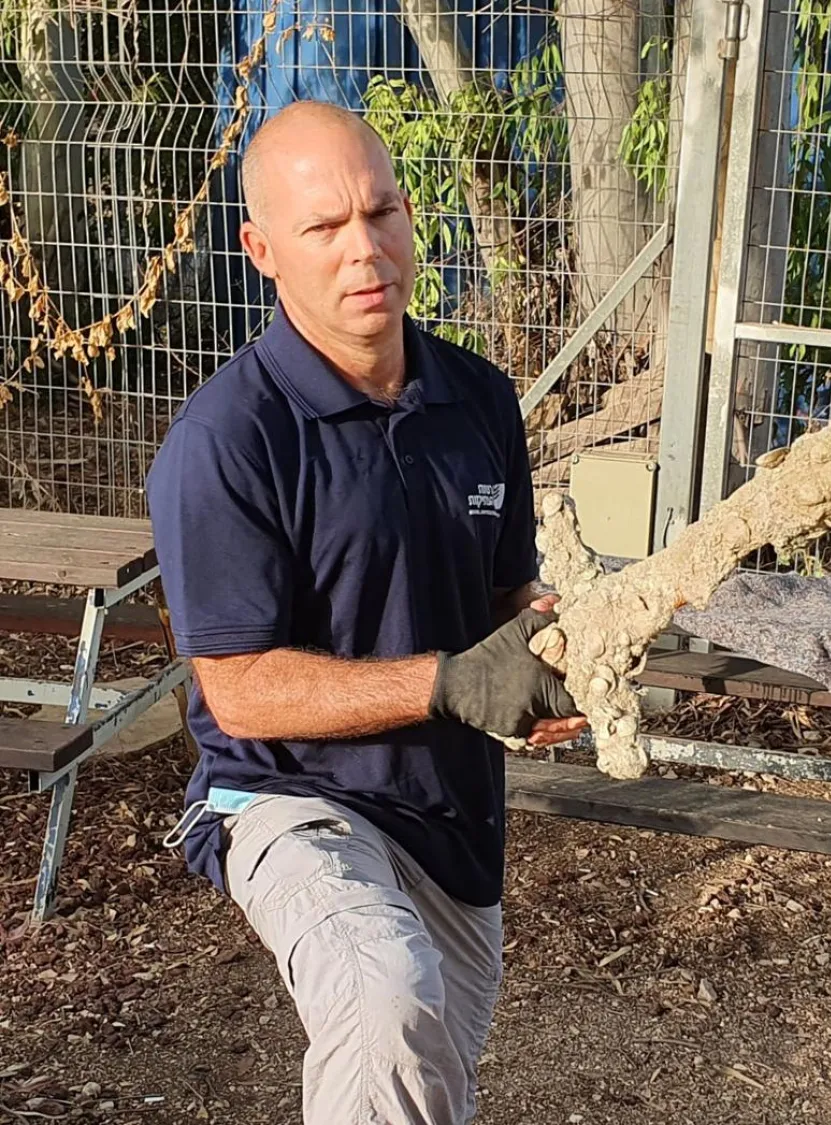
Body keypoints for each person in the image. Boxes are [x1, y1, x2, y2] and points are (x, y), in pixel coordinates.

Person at [146, 99, 586, 1125]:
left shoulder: (477, 399)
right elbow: (241, 692)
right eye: (324, 229)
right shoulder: (228, 442)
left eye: (381, 212)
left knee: (425, 1087)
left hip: (451, 820)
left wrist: (559, 656)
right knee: (386, 995)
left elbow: (503, 604)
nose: (366, 251)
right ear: (261, 249)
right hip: (287, 804)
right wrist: (448, 682)